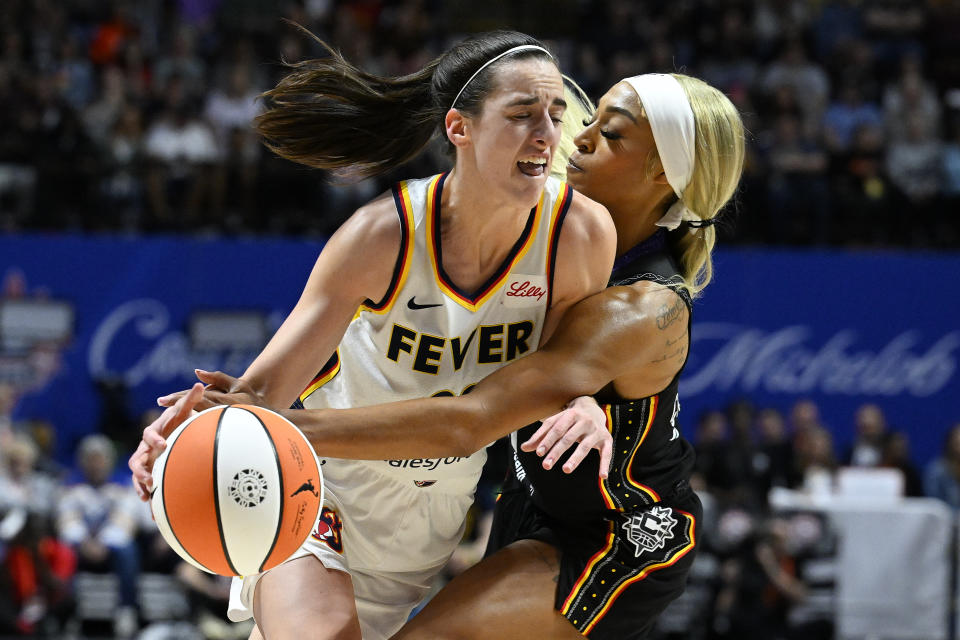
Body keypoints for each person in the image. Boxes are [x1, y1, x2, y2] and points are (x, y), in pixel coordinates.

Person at [138, 71, 745, 639]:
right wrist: (212, 420)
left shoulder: (642, 306)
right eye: (581, 122)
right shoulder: (482, 219)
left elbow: (474, 419)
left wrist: (264, 433)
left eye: (608, 135)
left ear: (663, 176)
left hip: (614, 532)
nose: (578, 139)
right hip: (512, 505)